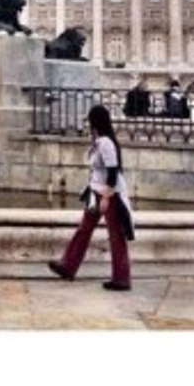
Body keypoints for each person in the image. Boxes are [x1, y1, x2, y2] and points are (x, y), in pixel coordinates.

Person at [48, 104, 134, 290]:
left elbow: (113, 172)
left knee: (115, 235)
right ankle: (68, 266)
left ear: (95, 122)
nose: (88, 124)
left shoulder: (106, 143)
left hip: (108, 193)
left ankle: (121, 278)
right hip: (97, 192)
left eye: (90, 120)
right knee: (84, 229)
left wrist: (106, 197)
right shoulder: (100, 141)